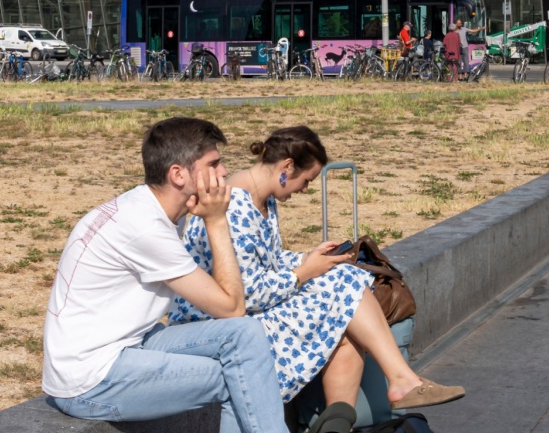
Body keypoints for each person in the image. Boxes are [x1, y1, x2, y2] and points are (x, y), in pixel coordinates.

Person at [43, 117, 366, 433]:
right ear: (179, 175)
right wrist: (217, 221)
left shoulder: (148, 209)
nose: (222, 175)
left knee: (245, 339)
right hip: (90, 377)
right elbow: (231, 303)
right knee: (237, 370)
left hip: (128, 346)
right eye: (213, 165)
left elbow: (236, 320)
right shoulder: (147, 229)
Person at [169, 125, 464, 414]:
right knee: (345, 292)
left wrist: (307, 259)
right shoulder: (235, 207)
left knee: (343, 311)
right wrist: (304, 272)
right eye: (307, 180)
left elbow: (262, 262)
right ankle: (399, 382)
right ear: (287, 166)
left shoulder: (260, 199)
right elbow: (246, 294)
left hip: (241, 313)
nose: (305, 189)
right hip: (222, 323)